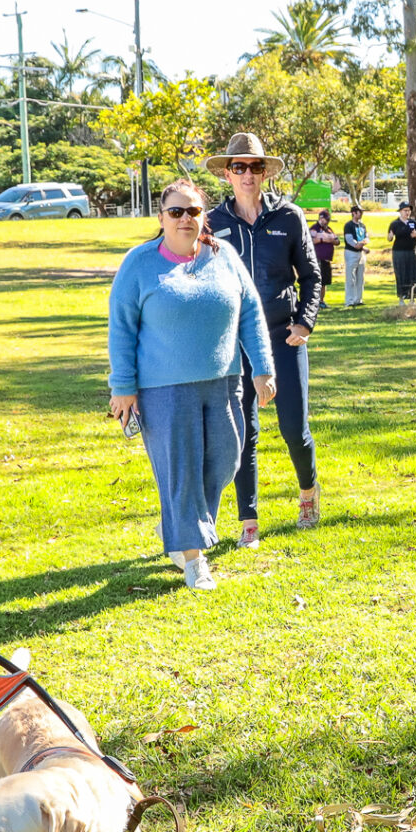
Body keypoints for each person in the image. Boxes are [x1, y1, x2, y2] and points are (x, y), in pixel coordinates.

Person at [107, 179, 277, 590]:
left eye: (193, 211)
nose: (186, 219)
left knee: (225, 460)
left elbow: (251, 312)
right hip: (163, 391)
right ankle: (194, 558)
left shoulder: (225, 257)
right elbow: (121, 328)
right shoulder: (139, 264)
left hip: (223, 382)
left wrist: (263, 366)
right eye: (176, 212)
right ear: (162, 217)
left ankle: (182, 532)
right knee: (181, 471)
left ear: (205, 216)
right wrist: (123, 386)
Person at [201, 132, 324, 543]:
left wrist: (304, 323)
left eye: (255, 167)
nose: (248, 175)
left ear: (265, 172)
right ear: (228, 174)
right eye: (239, 167)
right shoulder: (212, 224)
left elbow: (311, 276)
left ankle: (308, 492)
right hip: (235, 346)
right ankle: (248, 522)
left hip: (282, 338)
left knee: (294, 429)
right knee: (242, 433)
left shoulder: (289, 217)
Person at [389, 201, 416, 300]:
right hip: (399, 252)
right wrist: (390, 235)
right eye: (405, 211)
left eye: (409, 211)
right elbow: (389, 238)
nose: (407, 213)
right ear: (400, 211)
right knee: (401, 274)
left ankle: (413, 296)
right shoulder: (395, 224)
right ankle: (402, 296)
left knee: (414, 273)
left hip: (413, 251)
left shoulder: (413, 223)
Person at [341, 208, 369, 308]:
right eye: (359, 212)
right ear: (353, 213)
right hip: (351, 253)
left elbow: (366, 237)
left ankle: (358, 299)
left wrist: (363, 245)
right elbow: (350, 240)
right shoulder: (348, 225)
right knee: (350, 278)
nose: (361, 214)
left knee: (360, 278)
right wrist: (360, 244)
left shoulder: (362, 225)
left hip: (361, 253)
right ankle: (349, 301)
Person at [311, 209, 340, 297]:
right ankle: (315, 300)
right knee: (318, 281)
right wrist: (322, 239)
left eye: (326, 219)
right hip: (318, 258)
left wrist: (332, 240)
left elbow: (337, 241)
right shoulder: (314, 228)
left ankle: (322, 301)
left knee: (325, 282)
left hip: (327, 259)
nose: (324, 221)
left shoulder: (329, 230)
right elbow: (310, 241)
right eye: (322, 219)